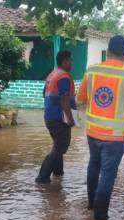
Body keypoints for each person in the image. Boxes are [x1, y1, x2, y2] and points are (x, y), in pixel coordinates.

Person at [77, 35, 124, 220]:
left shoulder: (91, 71)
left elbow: (81, 98)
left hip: (93, 132)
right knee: (108, 174)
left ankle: (91, 204)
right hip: (115, 138)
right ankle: (100, 217)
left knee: (94, 165)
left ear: (108, 51)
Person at [35, 51, 76, 184]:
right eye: (70, 60)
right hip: (59, 118)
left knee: (58, 145)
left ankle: (58, 173)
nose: (72, 63)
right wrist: (70, 119)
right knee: (60, 146)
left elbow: (44, 94)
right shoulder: (63, 77)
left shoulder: (52, 74)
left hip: (49, 116)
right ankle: (43, 176)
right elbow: (64, 101)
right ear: (64, 61)